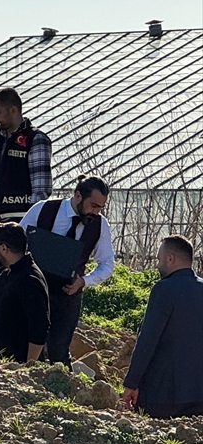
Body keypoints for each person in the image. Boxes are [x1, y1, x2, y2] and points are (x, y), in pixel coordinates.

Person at [19, 176, 115, 365]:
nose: (95, 212)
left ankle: (59, 388)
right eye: (93, 206)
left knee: (58, 351)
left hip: (67, 295)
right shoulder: (43, 209)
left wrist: (84, 281)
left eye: (100, 208)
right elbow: (17, 242)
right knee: (27, 345)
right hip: (34, 290)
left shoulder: (100, 225)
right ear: (78, 195)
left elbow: (107, 264)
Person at [122, 236, 203, 418]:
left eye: (159, 259)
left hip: (164, 394)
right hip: (199, 394)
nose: (157, 265)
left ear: (170, 258)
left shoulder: (164, 289)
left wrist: (131, 383)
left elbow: (147, 340)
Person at [0, 87, 52, 221]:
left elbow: (41, 190)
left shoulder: (35, 139)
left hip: (22, 220)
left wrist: (31, 221)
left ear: (13, 110)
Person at [0, 223, 49, 363]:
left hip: (19, 363)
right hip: (5, 361)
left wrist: (29, 365)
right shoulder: (8, 275)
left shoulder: (29, 279)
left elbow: (39, 327)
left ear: (3, 248)